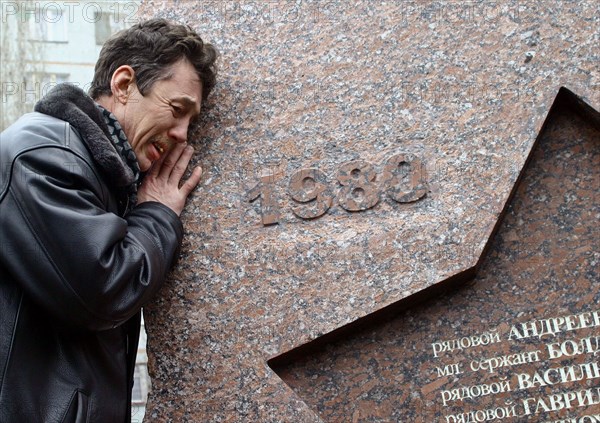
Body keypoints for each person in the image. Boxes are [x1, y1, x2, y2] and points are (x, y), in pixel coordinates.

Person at [0, 19, 217, 422]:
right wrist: (157, 214)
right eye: (177, 109)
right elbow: (103, 288)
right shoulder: (41, 154)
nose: (184, 134)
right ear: (123, 84)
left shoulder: (103, 174)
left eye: (193, 121)